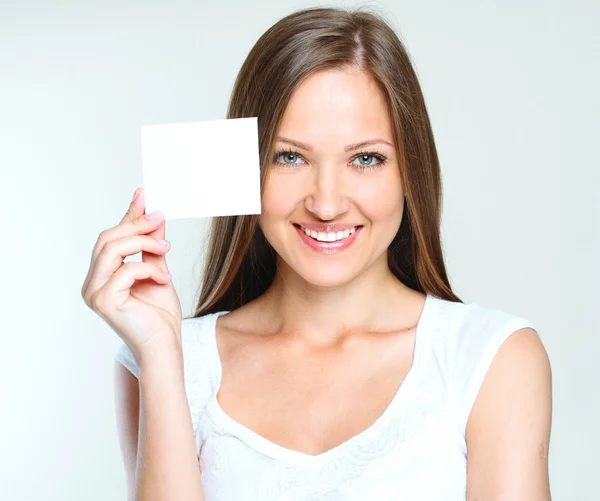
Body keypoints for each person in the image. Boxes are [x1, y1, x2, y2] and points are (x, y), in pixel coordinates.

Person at [82, 6, 552, 501]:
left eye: (365, 158)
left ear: (410, 170)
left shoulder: (489, 359)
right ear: (247, 170)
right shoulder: (164, 360)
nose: (326, 203)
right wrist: (159, 354)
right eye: (290, 157)